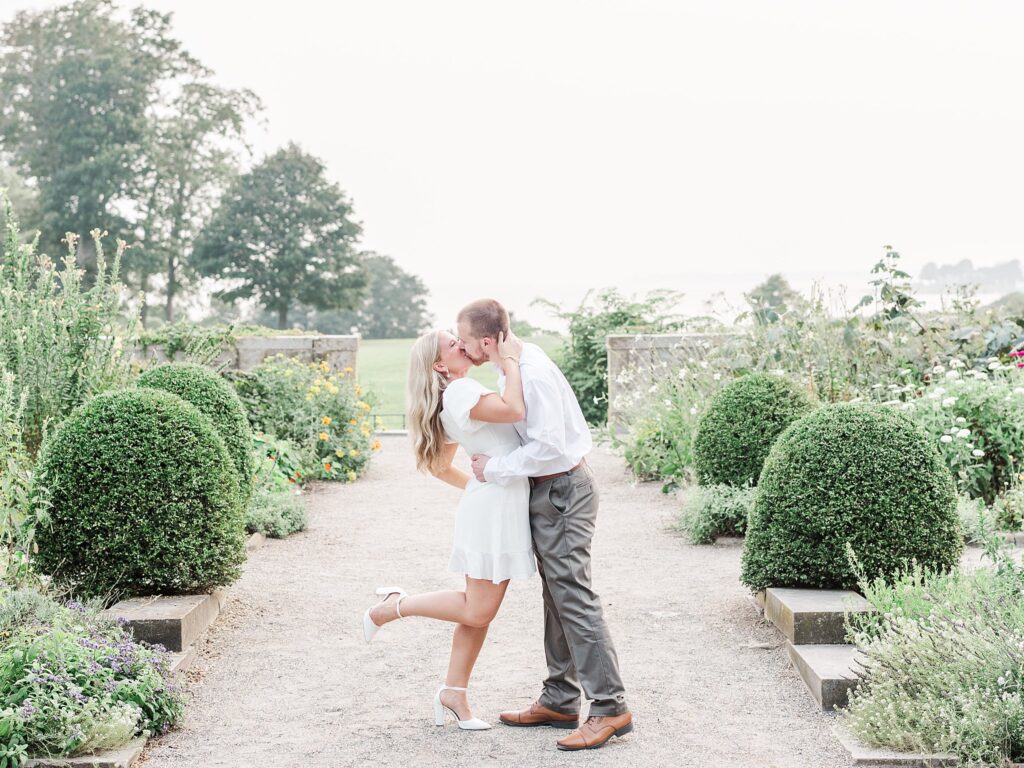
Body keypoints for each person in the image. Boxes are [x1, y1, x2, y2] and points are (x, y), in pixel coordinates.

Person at [457, 298, 633, 752]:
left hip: (561, 489)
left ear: (488, 340)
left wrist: (493, 468)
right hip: (550, 491)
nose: (461, 347)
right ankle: (559, 698)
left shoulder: (529, 371)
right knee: (556, 596)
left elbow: (550, 447)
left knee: (573, 596)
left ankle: (610, 707)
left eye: (465, 340)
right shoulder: (512, 365)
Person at [362, 327, 535, 731]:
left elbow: (440, 466)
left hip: (493, 506)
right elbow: (515, 410)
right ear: (440, 365)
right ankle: (392, 608)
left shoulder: (454, 395)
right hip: (492, 512)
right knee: (479, 608)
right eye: (453, 344)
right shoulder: (460, 392)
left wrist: (482, 483)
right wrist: (509, 359)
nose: (464, 343)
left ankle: (454, 692)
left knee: (479, 612)